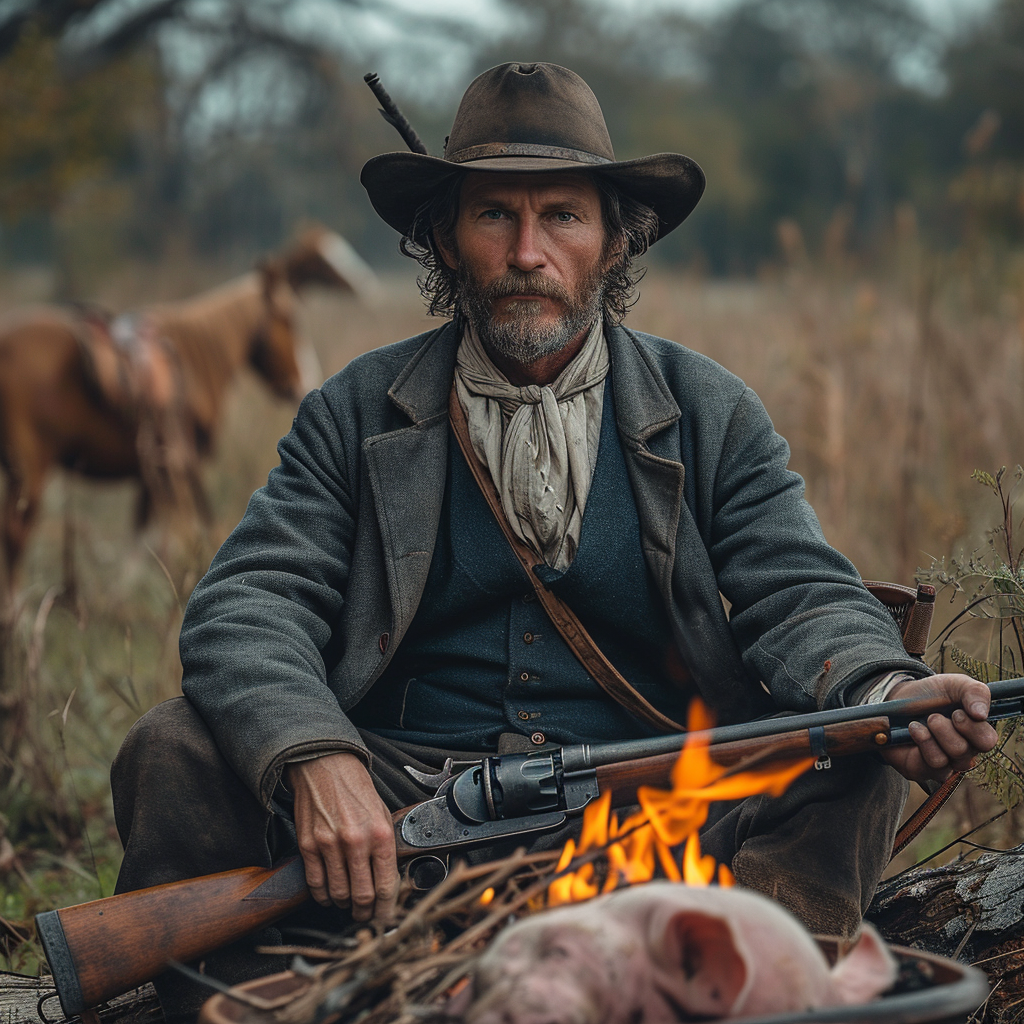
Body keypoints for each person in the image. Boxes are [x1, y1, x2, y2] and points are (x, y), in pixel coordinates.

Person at [110, 62, 996, 1019]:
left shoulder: (710, 410)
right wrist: (313, 756)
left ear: (617, 241)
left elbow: (800, 589)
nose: (528, 251)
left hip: (652, 812)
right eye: (495, 216)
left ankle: (729, 986)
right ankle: (253, 1002)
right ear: (445, 239)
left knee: (856, 750)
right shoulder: (354, 411)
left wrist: (885, 689)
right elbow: (249, 601)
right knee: (175, 745)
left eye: (563, 217)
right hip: (398, 808)